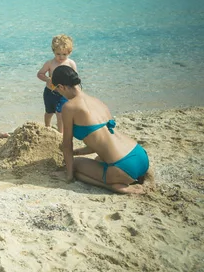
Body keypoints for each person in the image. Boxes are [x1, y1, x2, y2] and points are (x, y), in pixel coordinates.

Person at [52, 65, 150, 194]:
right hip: (140, 156)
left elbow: (66, 145)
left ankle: (114, 186)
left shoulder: (69, 107)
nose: (57, 92)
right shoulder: (97, 101)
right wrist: (76, 152)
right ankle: (139, 176)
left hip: (123, 167)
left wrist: (68, 176)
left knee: (74, 165)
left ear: (61, 86)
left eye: (56, 90)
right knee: (98, 159)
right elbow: (99, 142)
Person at [37, 34, 77, 133]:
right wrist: (47, 79)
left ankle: (60, 133)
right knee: (49, 112)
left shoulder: (70, 63)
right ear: (53, 51)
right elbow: (40, 74)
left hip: (63, 94)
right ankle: (47, 127)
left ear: (69, 52)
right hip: (50, 92)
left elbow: (75, 79)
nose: (61, 57)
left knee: (60, 114)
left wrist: (74, 92)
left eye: (64, 54)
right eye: (58, 54)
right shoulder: (50, 63)